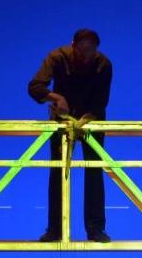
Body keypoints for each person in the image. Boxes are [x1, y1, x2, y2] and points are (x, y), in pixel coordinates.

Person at [28, 28, 112, 243]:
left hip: (91, 119)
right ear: (73, 46)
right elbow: (35, 86)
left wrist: (84, 120)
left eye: (90, 52)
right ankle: (55, 229)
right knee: (58, 170)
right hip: (62, 120)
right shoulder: (57, 57)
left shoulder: (103, 64)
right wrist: (56, 98)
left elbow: (101, 101)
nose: (86, 57)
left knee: (94, 170)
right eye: (82, 52)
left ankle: (95, 229)